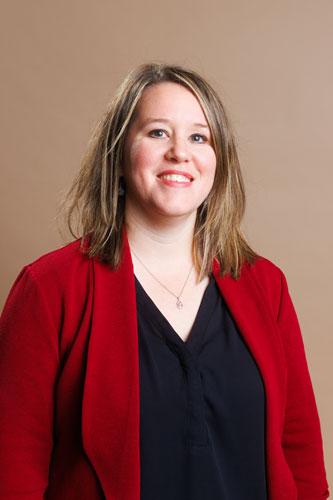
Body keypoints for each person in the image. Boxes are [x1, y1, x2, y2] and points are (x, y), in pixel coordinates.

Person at [0, 63, 329, 500]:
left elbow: (301, 458)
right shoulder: (49, 289)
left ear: (218, 161)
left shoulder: (266, 286)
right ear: (117, 154)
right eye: (157, 133)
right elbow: (13, 473)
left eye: (199, 137)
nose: (179, 152)